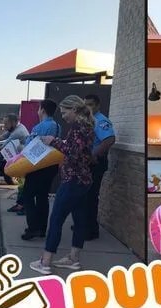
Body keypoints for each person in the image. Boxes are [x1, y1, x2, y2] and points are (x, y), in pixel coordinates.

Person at [28, 95, 95, 275]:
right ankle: (74, 259)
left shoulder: (78, 128)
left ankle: (46, 262)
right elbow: (80, 152)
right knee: (80, 220)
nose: (63, 116)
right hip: (84, 180)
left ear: (74, 110)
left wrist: (54, 141)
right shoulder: (87, 126)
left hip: (72, 181)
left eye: (65, 112)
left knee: (56, 219)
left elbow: (73, 153)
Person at [20, 99, 62, 241]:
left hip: (37, 166)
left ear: (42, 110)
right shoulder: (57, 126)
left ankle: (32, 228)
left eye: (38, 109)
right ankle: (42, 228)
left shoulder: (39, 127)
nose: (38, 111)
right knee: (43, 197)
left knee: (28, 196)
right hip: (51, 166)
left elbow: (28, 146)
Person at [83, 94, 116, 241]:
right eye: (86, 104)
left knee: (90, 197)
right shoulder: (89, 119)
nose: (87, 107)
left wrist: (93, 155)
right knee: (84, 196)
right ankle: (83, 224)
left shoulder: (101, 121)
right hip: (87, 163)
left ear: (97, 105)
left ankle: (91, 230)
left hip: (96, 164)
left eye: (90, 104)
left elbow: (109, 139)